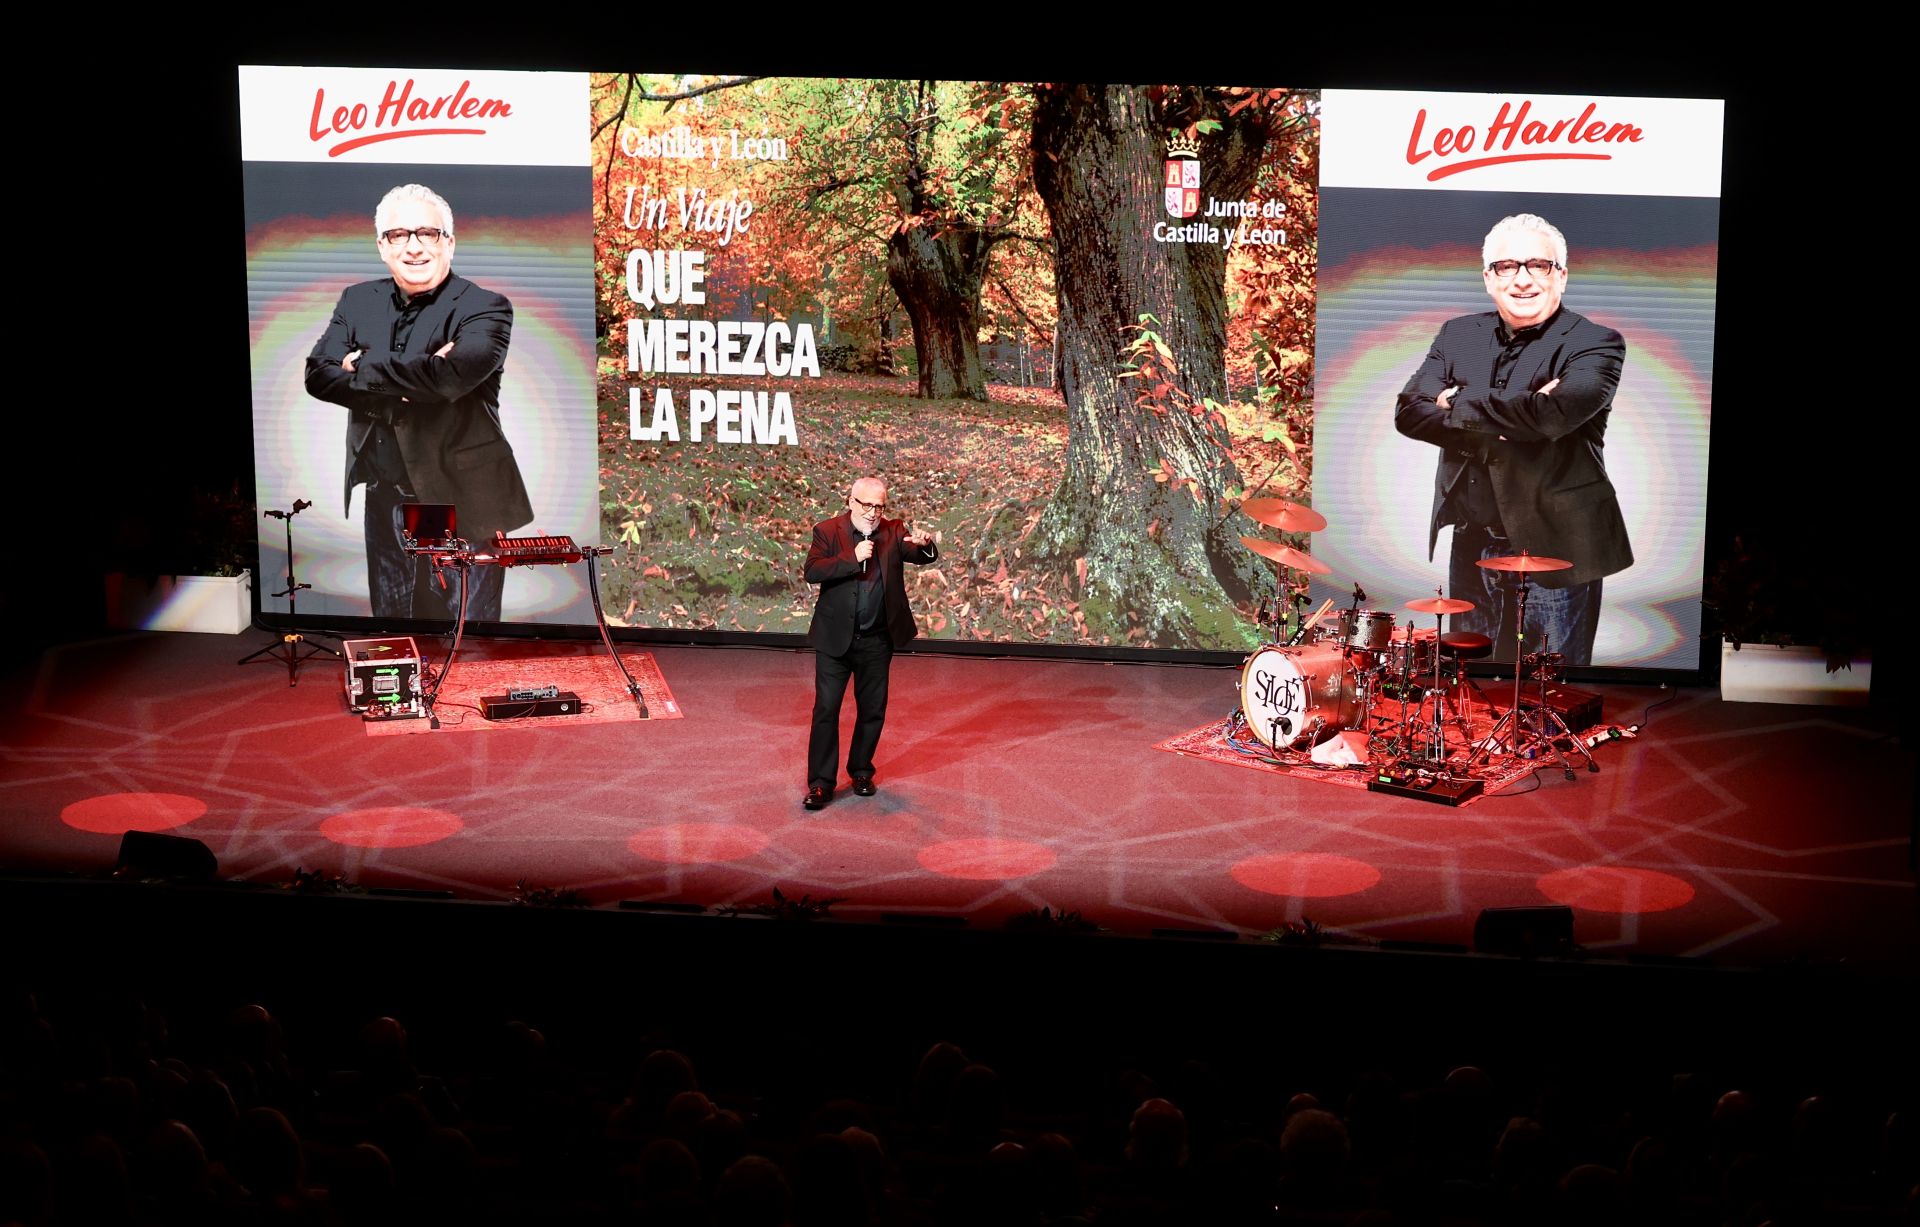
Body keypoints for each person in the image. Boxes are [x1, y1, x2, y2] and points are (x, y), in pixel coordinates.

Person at [1393, 213, 1631, 666]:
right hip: (1472, 542)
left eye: (1538, 265)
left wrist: (1456, 400)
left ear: (1561, 276)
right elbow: (1409, 412)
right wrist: (1519, 409)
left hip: (1557, 543)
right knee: (1470, 680)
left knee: (1549, 687)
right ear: (1488, 278)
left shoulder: (1597, 343)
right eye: (1506, 267)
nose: (1523, 280)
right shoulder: (1457, 334)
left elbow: (1552, 416)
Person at [304, 184, 534, 622]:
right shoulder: (358, 300)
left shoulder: (485, 307)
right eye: (398, 235)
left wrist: (363, 365)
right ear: (381, 246)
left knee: (464, 629)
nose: (413, 247)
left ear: (449, 241)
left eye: (428, 233)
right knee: (397, 623)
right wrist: (412, 379)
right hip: (386, 495)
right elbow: (318, 374)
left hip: (457, 495)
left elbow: (447, 379)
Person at [803, 478, 938, 809]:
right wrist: (852, 557)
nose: (874, 512)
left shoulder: (893, 531)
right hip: (835, 640)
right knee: (826, 709)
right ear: (851, 502)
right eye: (867, 505)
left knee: (872, 710)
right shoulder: (827, 531)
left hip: (877, 640)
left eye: (880, 506)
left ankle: (861, 770)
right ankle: (821, 784)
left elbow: (921, 555)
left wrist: (926, 543)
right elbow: (812, 571)